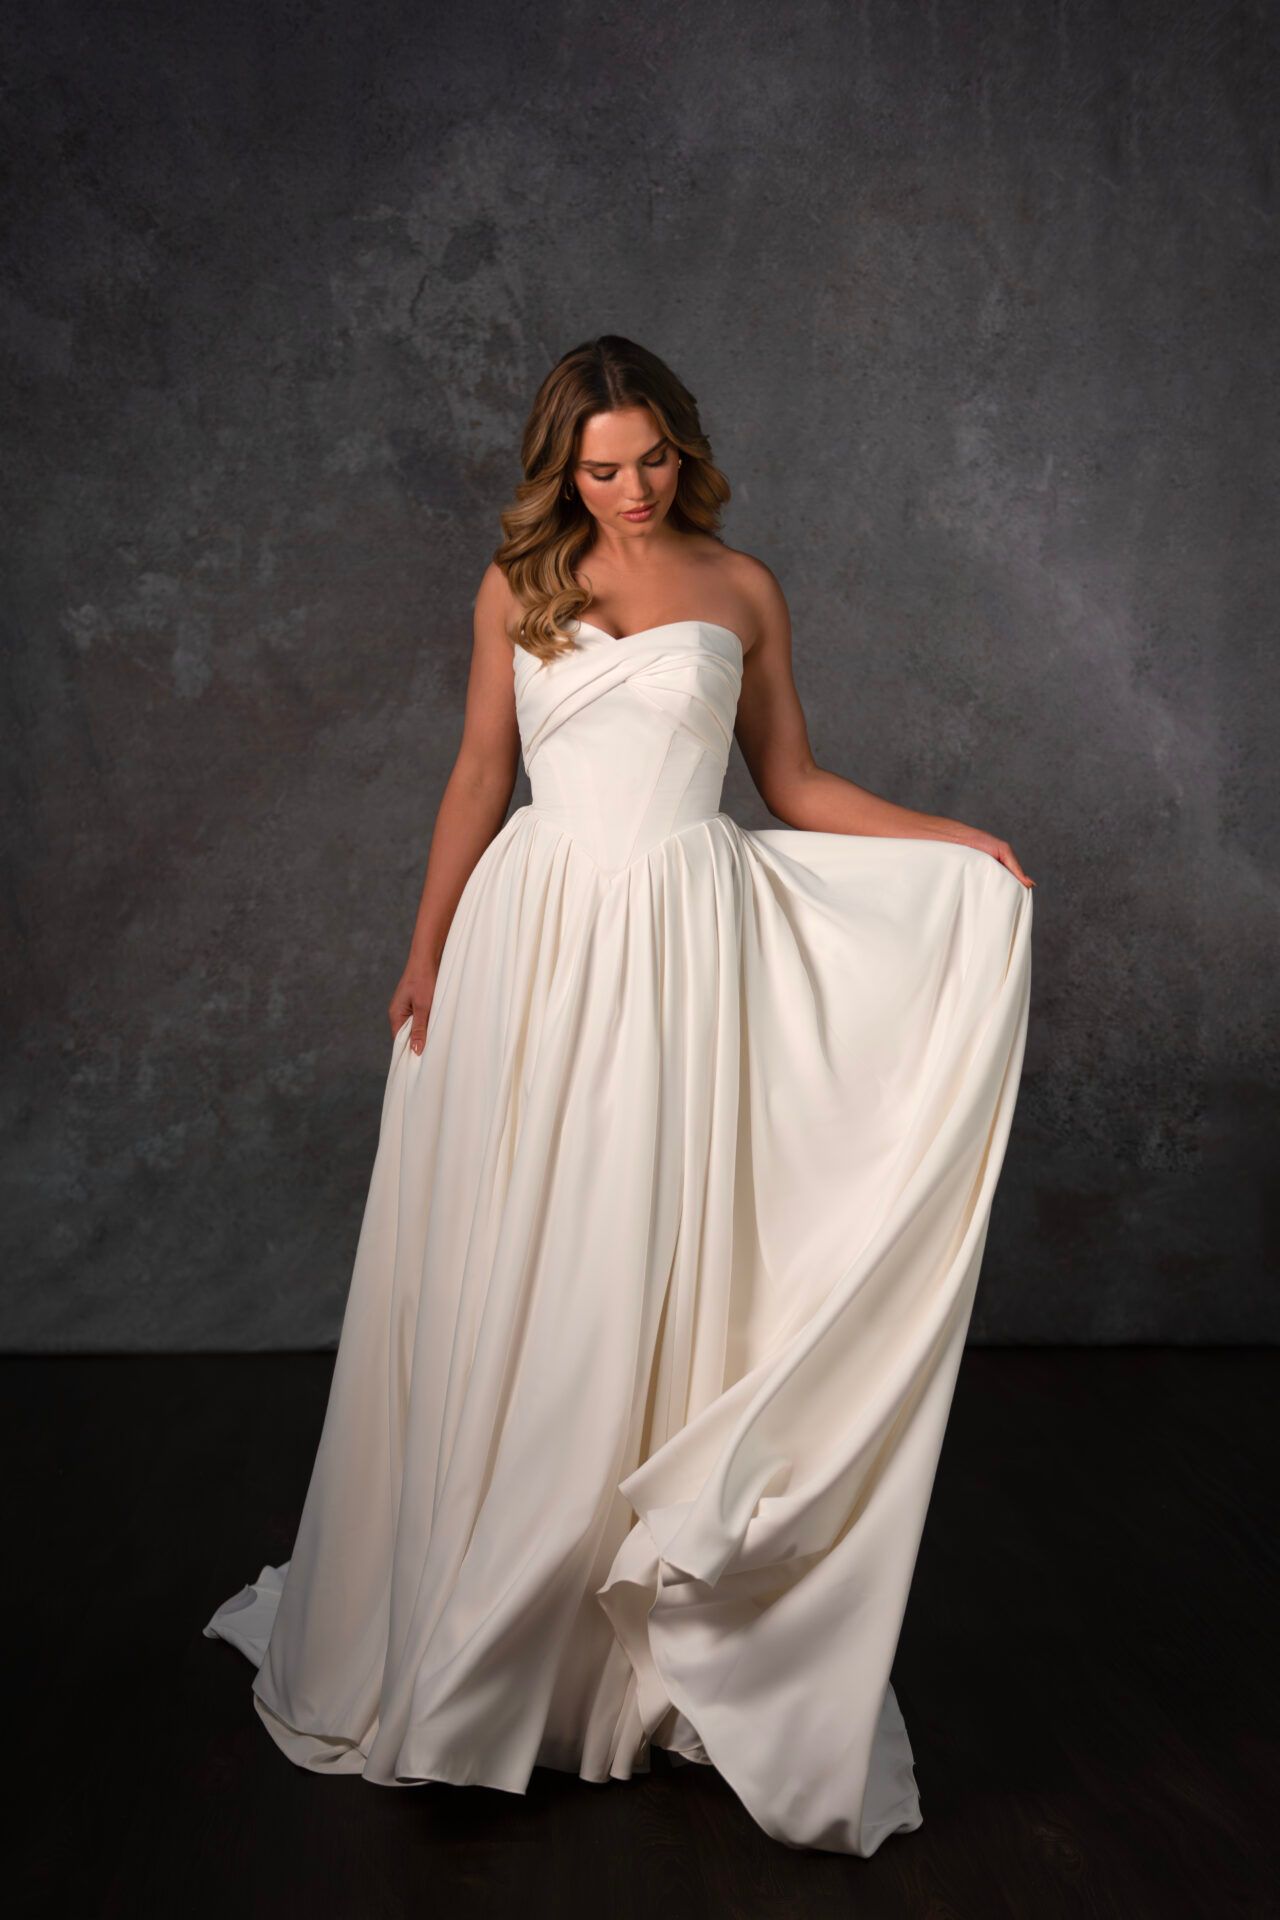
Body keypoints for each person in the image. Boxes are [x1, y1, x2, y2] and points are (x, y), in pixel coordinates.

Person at [205, 334, 1034, 1857]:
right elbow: (476, 775)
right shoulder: (516, 588)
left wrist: (949, 841)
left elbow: (793, 784)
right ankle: (476, 1640)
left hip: (681, 949)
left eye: (652, 458)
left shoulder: (744, 588)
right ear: (559, 472)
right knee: (525, 1263)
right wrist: (425, 951)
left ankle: (625, 1668)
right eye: (602, 467)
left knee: (643, 1263)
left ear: (684, 448)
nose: (634, 489)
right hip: (539, 942)